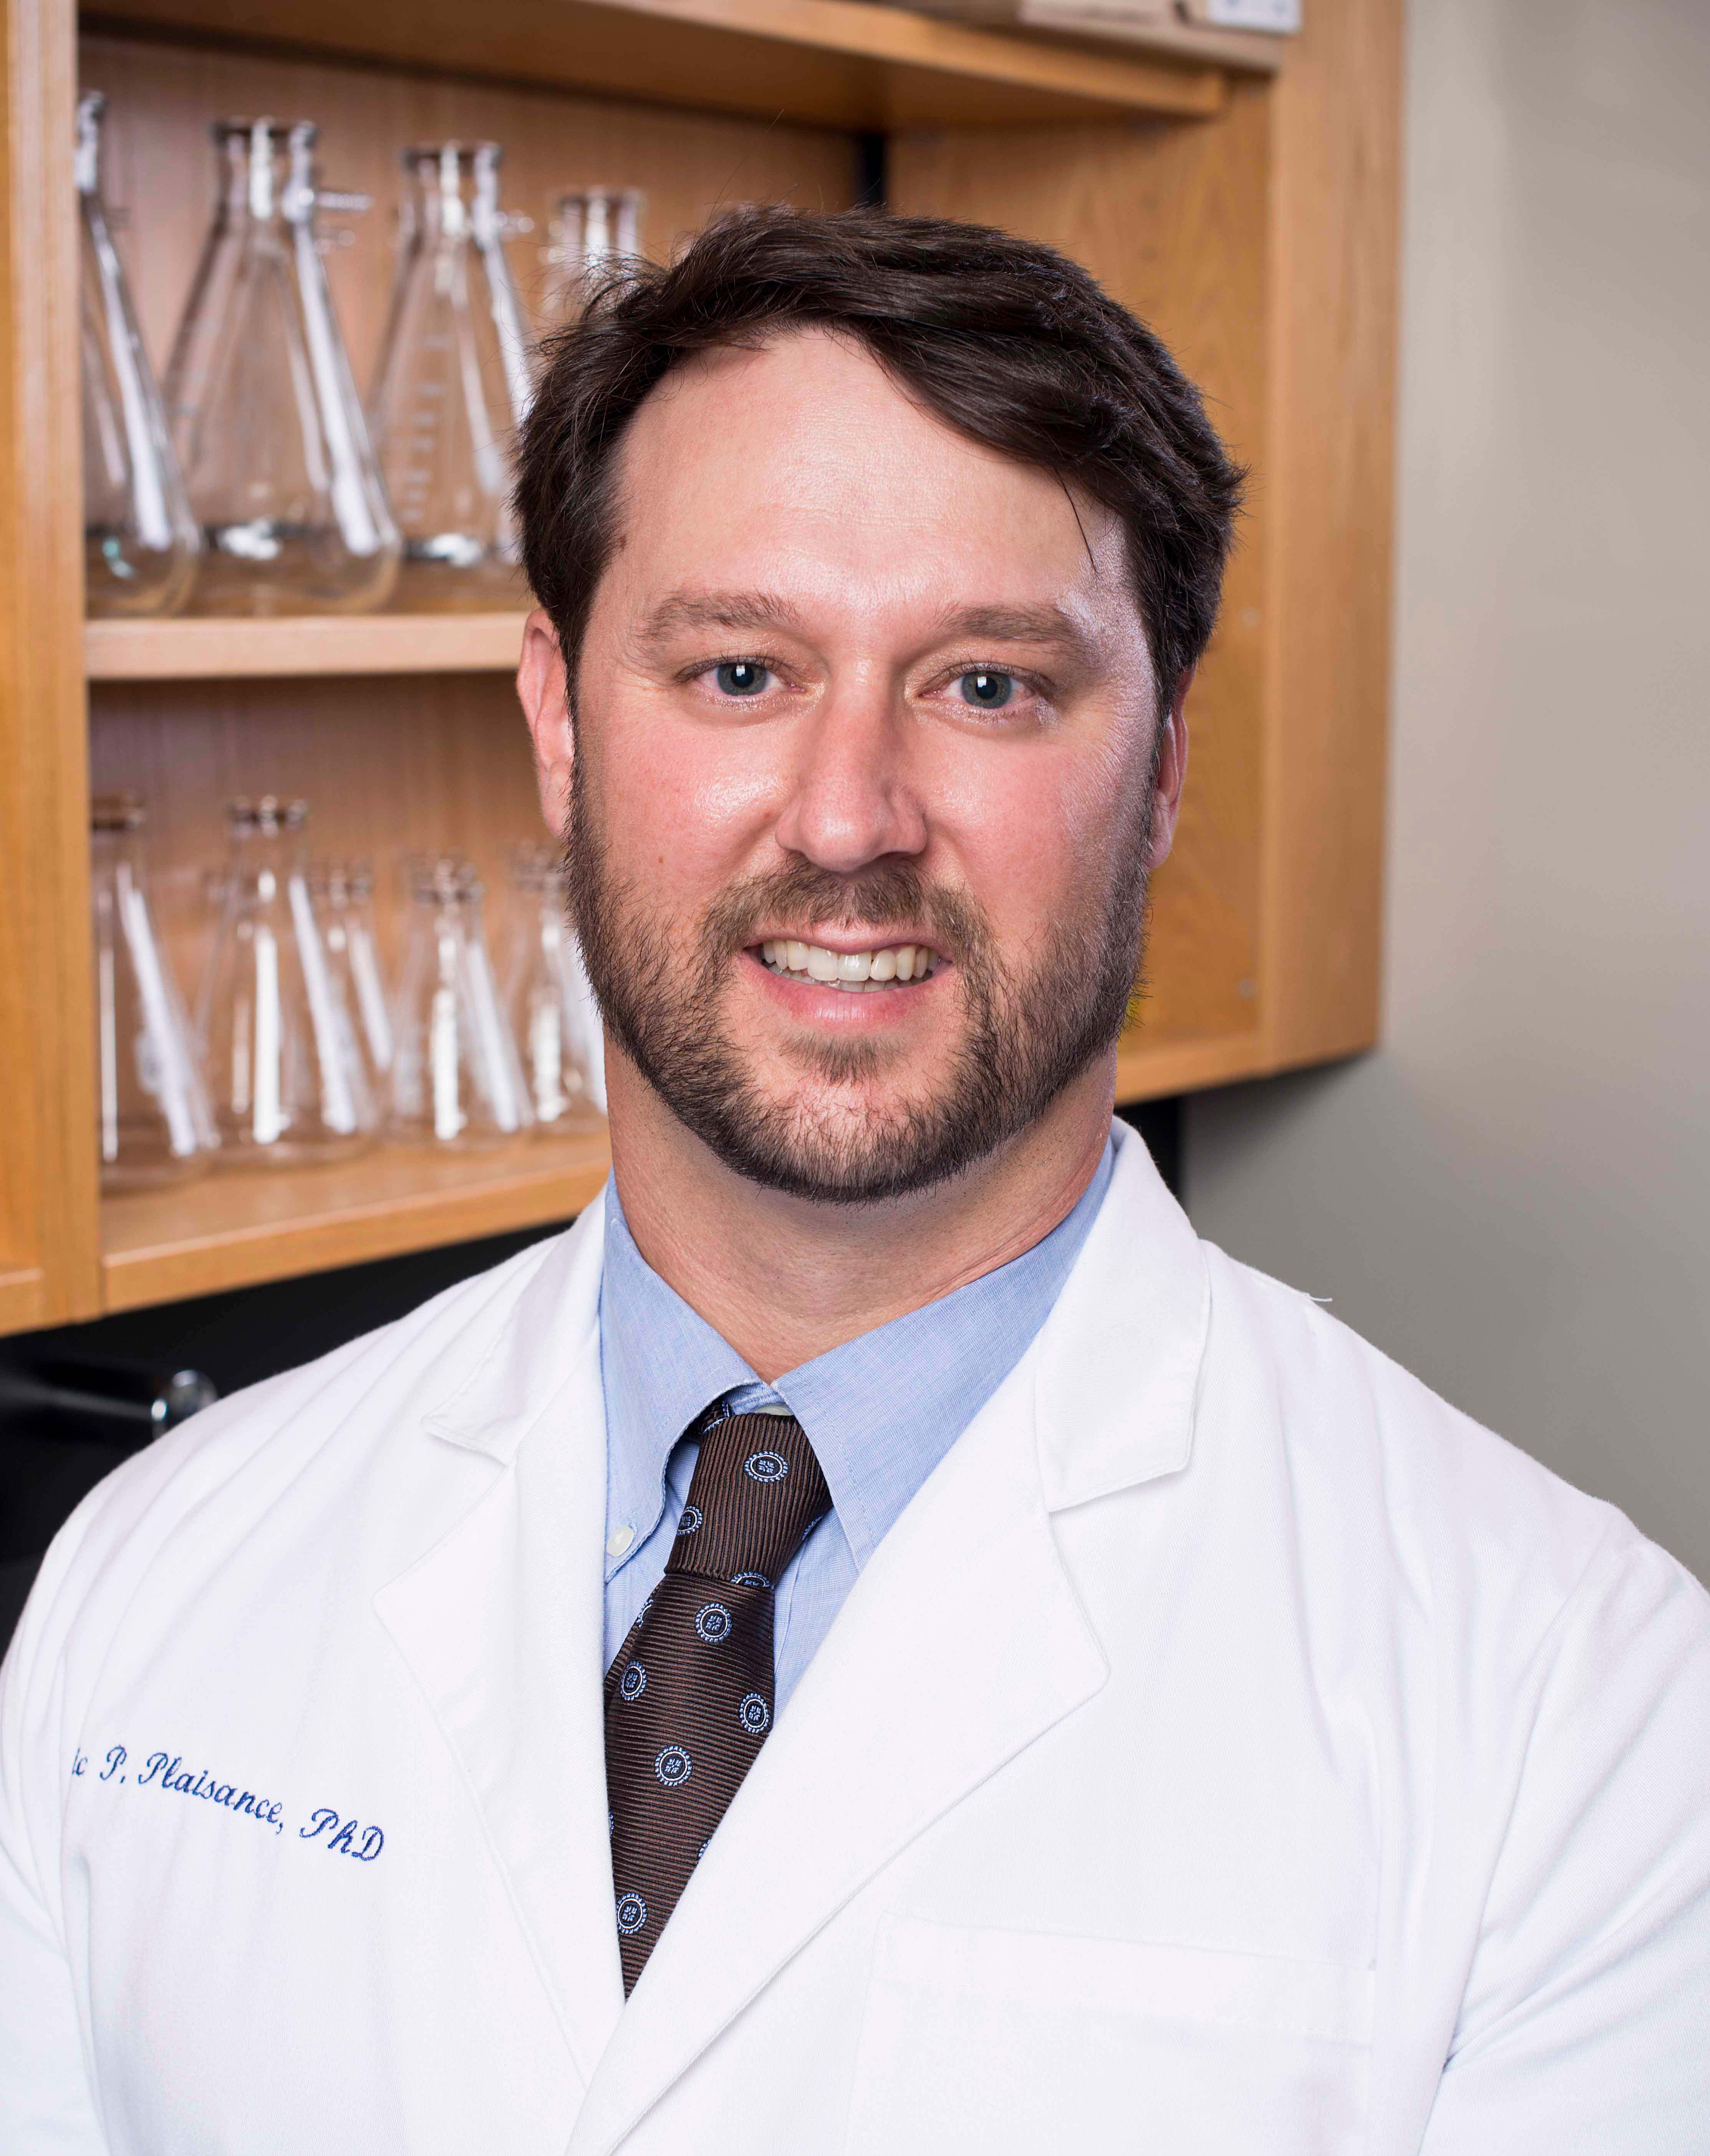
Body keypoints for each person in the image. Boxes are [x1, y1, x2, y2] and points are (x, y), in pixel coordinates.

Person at [3, 208, 1707, 2155]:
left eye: (987, 687)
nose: (846, 821)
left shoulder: (1576, 1710)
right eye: (740, 671)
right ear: (559, 723)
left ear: (1162, 768)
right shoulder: (154, 1580)